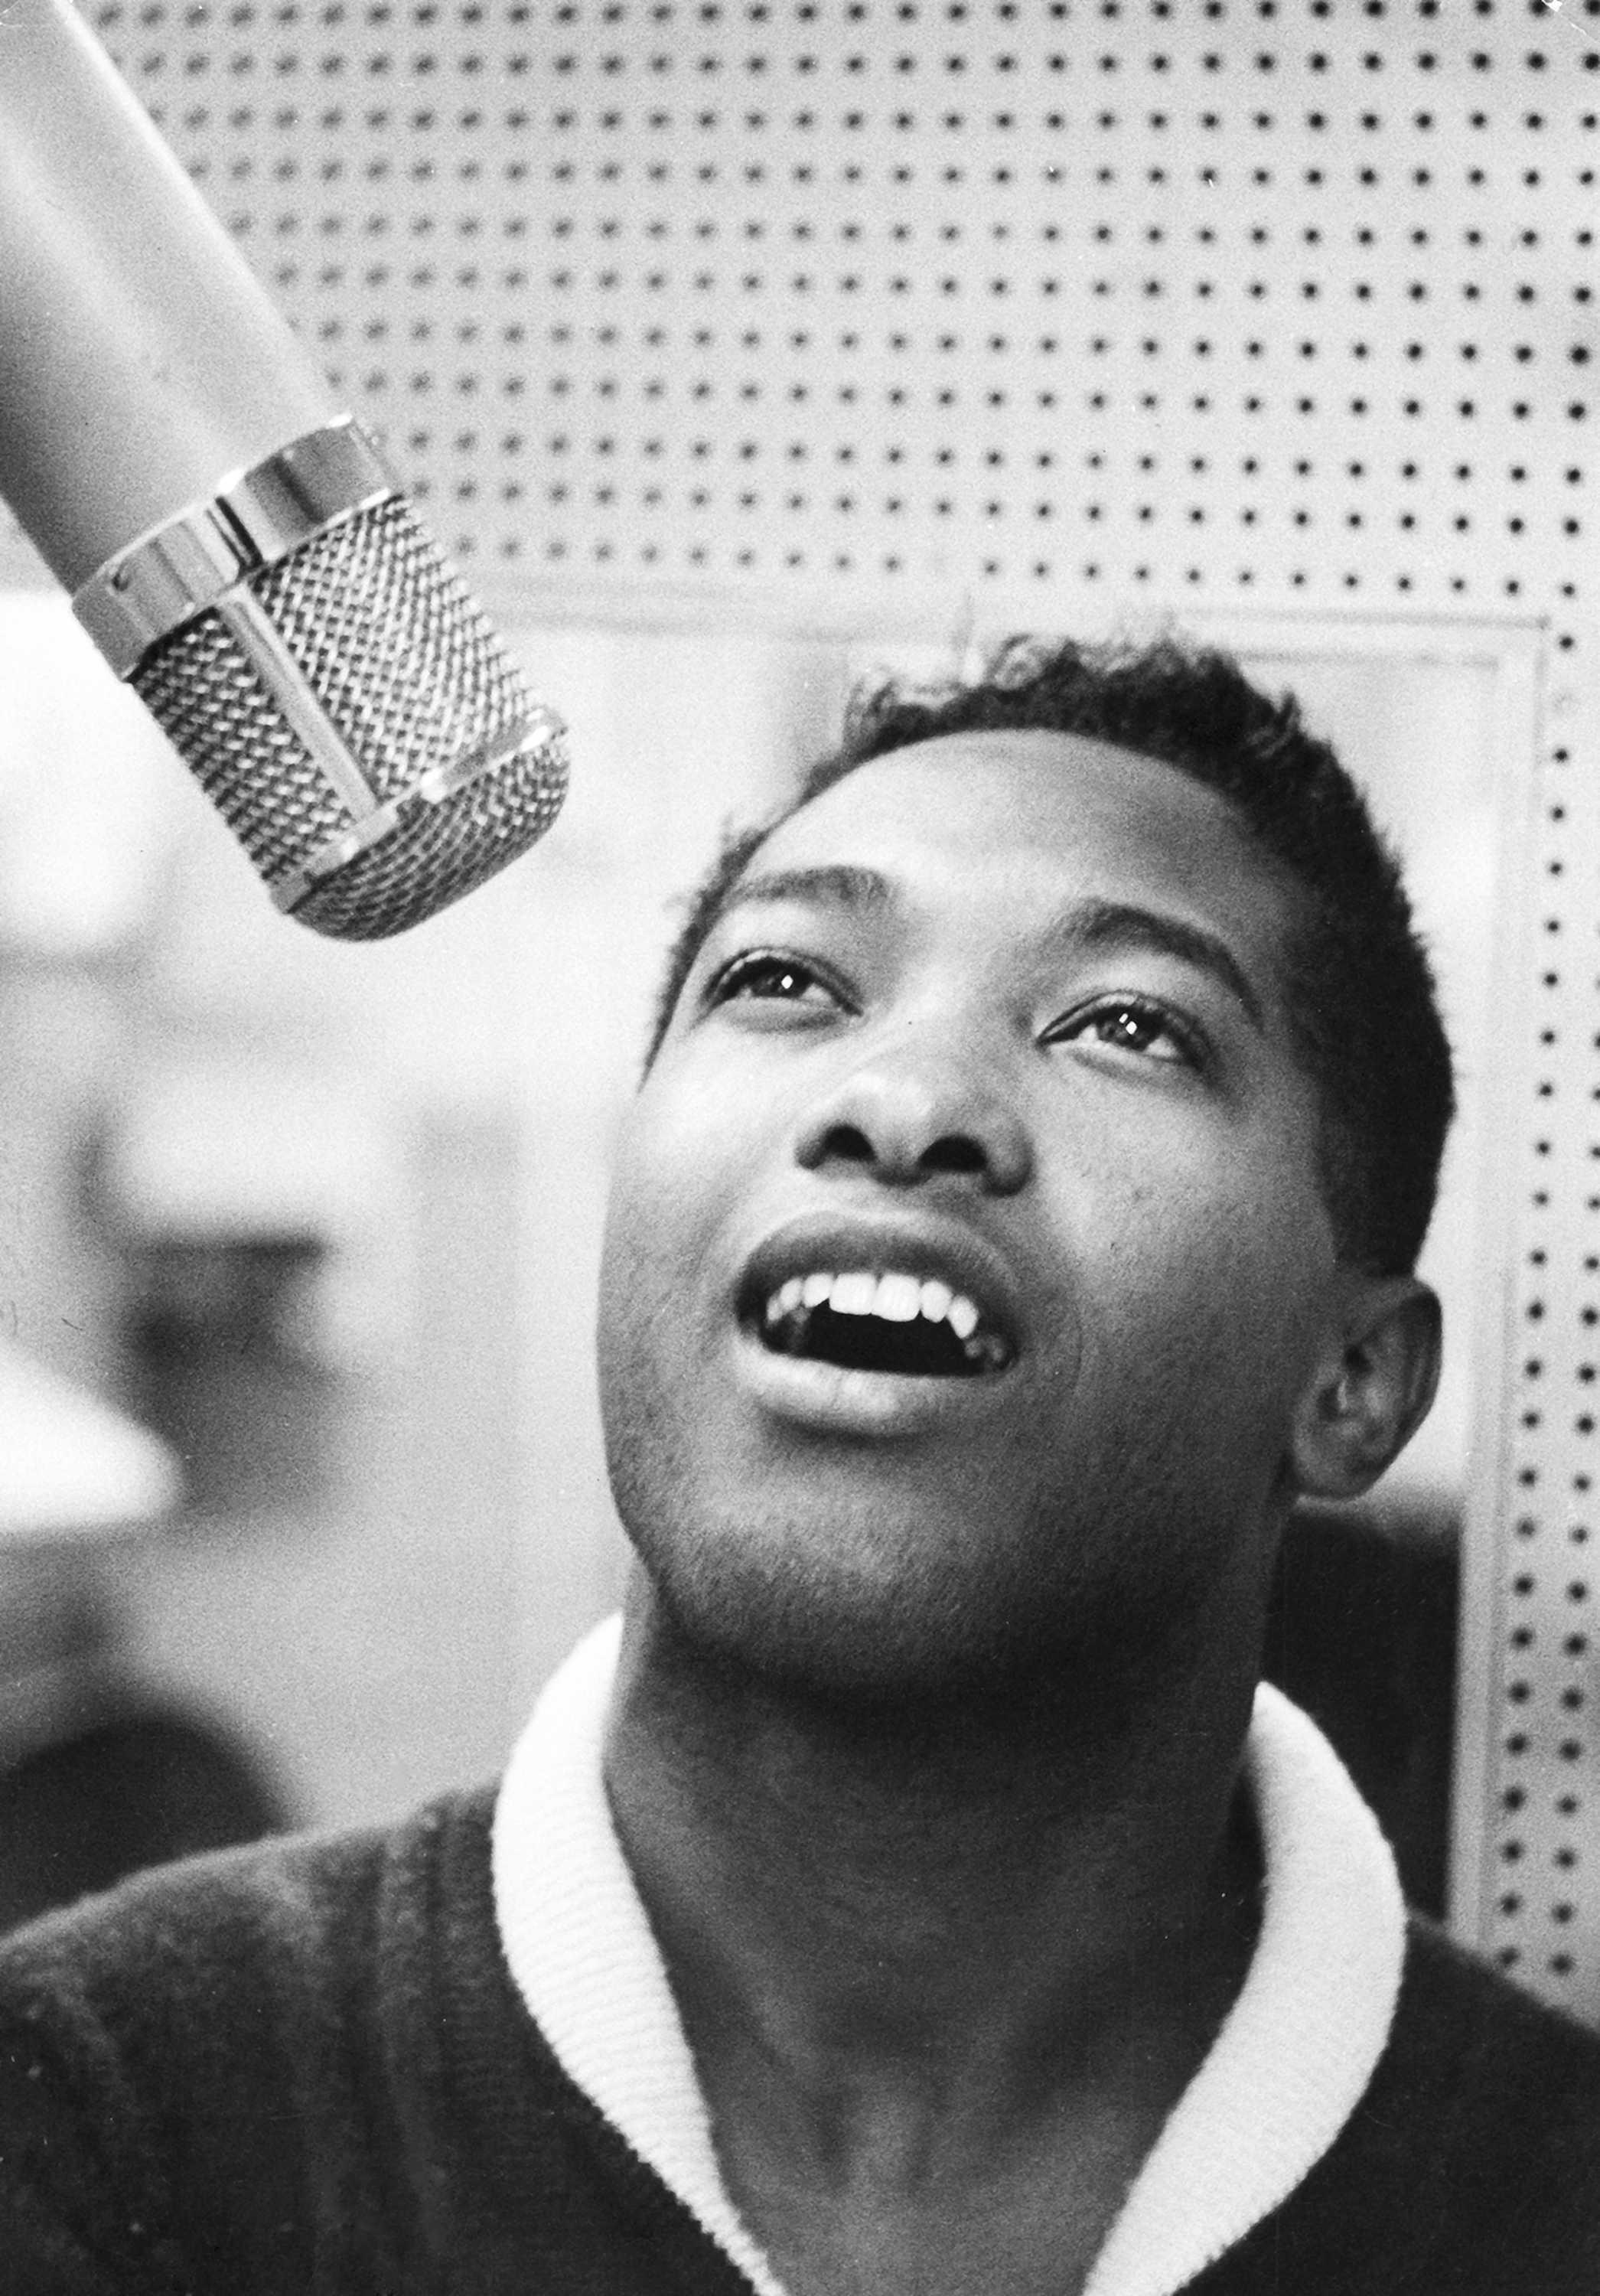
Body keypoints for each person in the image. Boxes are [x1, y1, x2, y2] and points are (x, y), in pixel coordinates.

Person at [3, 634, 1599, 2294]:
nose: (902, 1100)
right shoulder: (96, 2116)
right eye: (784, 983)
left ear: (1349, 1381)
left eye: (1125, 1023)